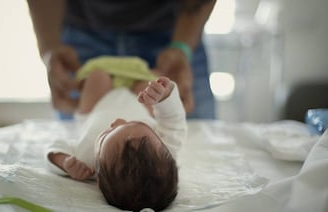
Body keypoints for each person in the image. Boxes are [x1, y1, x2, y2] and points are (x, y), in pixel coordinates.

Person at [27, 0, 217, 119]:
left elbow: (67, 148)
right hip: (81, 28)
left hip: (174, 27)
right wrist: (50, 46)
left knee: (194, 139)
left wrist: (182, 47)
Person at [45, 57, 187, 211]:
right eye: (136, 123)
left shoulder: (86, 161)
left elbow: (54, 146)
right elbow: (174, 121)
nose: (118, 121)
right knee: (152, 80)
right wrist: (163, 97)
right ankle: (151, 91)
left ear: (99, 178)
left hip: (96, 106)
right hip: (140, 101)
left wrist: (64, 162)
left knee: (98, 77)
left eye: (106, 134)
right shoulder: (165, 151)